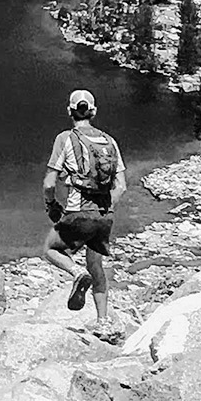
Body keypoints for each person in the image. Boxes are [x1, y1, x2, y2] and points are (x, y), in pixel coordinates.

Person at [42, 88, 125, 330]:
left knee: (50, 249)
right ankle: (103, 322)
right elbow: (121, 186)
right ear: (94, 111)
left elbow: (49, 183)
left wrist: (51, 205)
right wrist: (106, 207)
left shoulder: (65, 138)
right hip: (104, 215)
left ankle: (76, 273)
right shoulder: (110, 142)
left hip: (79, 211)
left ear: (69, 111)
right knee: (96, 266)